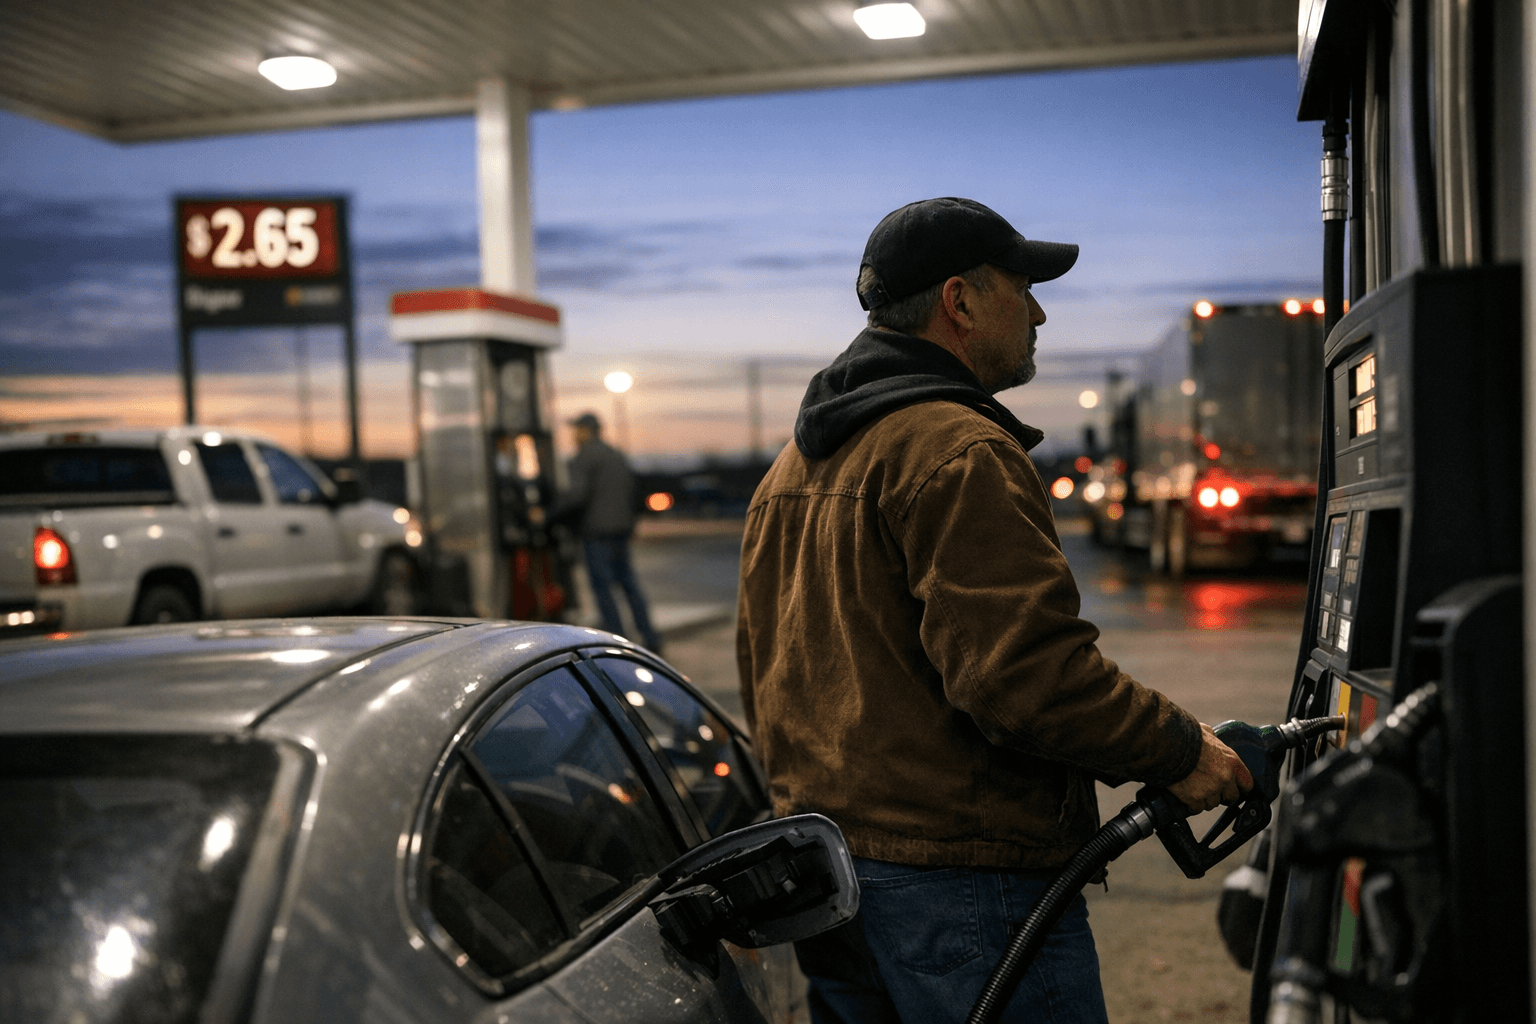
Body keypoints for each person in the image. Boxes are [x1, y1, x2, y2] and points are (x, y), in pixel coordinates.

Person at [735, 198, 1253, 1024]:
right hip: (962, 881)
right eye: (1023, 288)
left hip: (829, 877)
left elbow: (769, 671)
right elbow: (1027, 679)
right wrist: (1179, 748)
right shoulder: (959, 450)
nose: (1039, 313)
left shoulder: (790, 468)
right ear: (961, 301)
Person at [553, 411, 662, 652]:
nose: (574, 435)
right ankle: (650, 638)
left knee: (604, 589)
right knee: (629, 586)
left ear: (586, 431)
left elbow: (577, 496)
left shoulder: (585, 457)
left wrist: (550, 516)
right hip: (620, 531)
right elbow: (633, 493)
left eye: (577, 430)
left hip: (597, 532)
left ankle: (618, 641)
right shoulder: (617, 455)